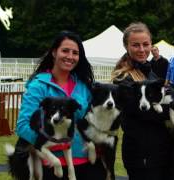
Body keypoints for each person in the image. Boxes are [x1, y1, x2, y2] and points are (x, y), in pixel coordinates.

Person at [15, 31, 107, 179]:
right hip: (49, 163)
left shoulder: (84, 85)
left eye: (75, 53)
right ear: (54, 52)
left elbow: (91, 120)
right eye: (65, 51)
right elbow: (23, 125)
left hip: (85, 161)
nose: (70, 56)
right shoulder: (38, 86)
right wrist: (51, 144)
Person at [111, 22, 174, 180]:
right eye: (136, 45)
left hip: (163, 150)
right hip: (141, 154)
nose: (142, 50)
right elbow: (147, 113)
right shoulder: (122, 78)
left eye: (145, 44)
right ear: (126, 46)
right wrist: (173, 108)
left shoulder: (149, 71)